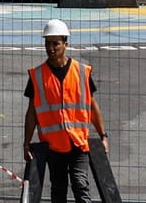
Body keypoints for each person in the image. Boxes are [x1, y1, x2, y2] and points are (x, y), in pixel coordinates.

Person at [22, 19, 106, 203]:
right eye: (47, 43)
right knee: (58, 190)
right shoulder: (37, 76)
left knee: (80, 184)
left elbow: (92, 106)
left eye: (55, 44)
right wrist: (26, 143)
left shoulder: (82, 72)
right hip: (53, 145)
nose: (50, 48)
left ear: (65, 44)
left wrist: (103, 135)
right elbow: (32, 113)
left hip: (77, 142)